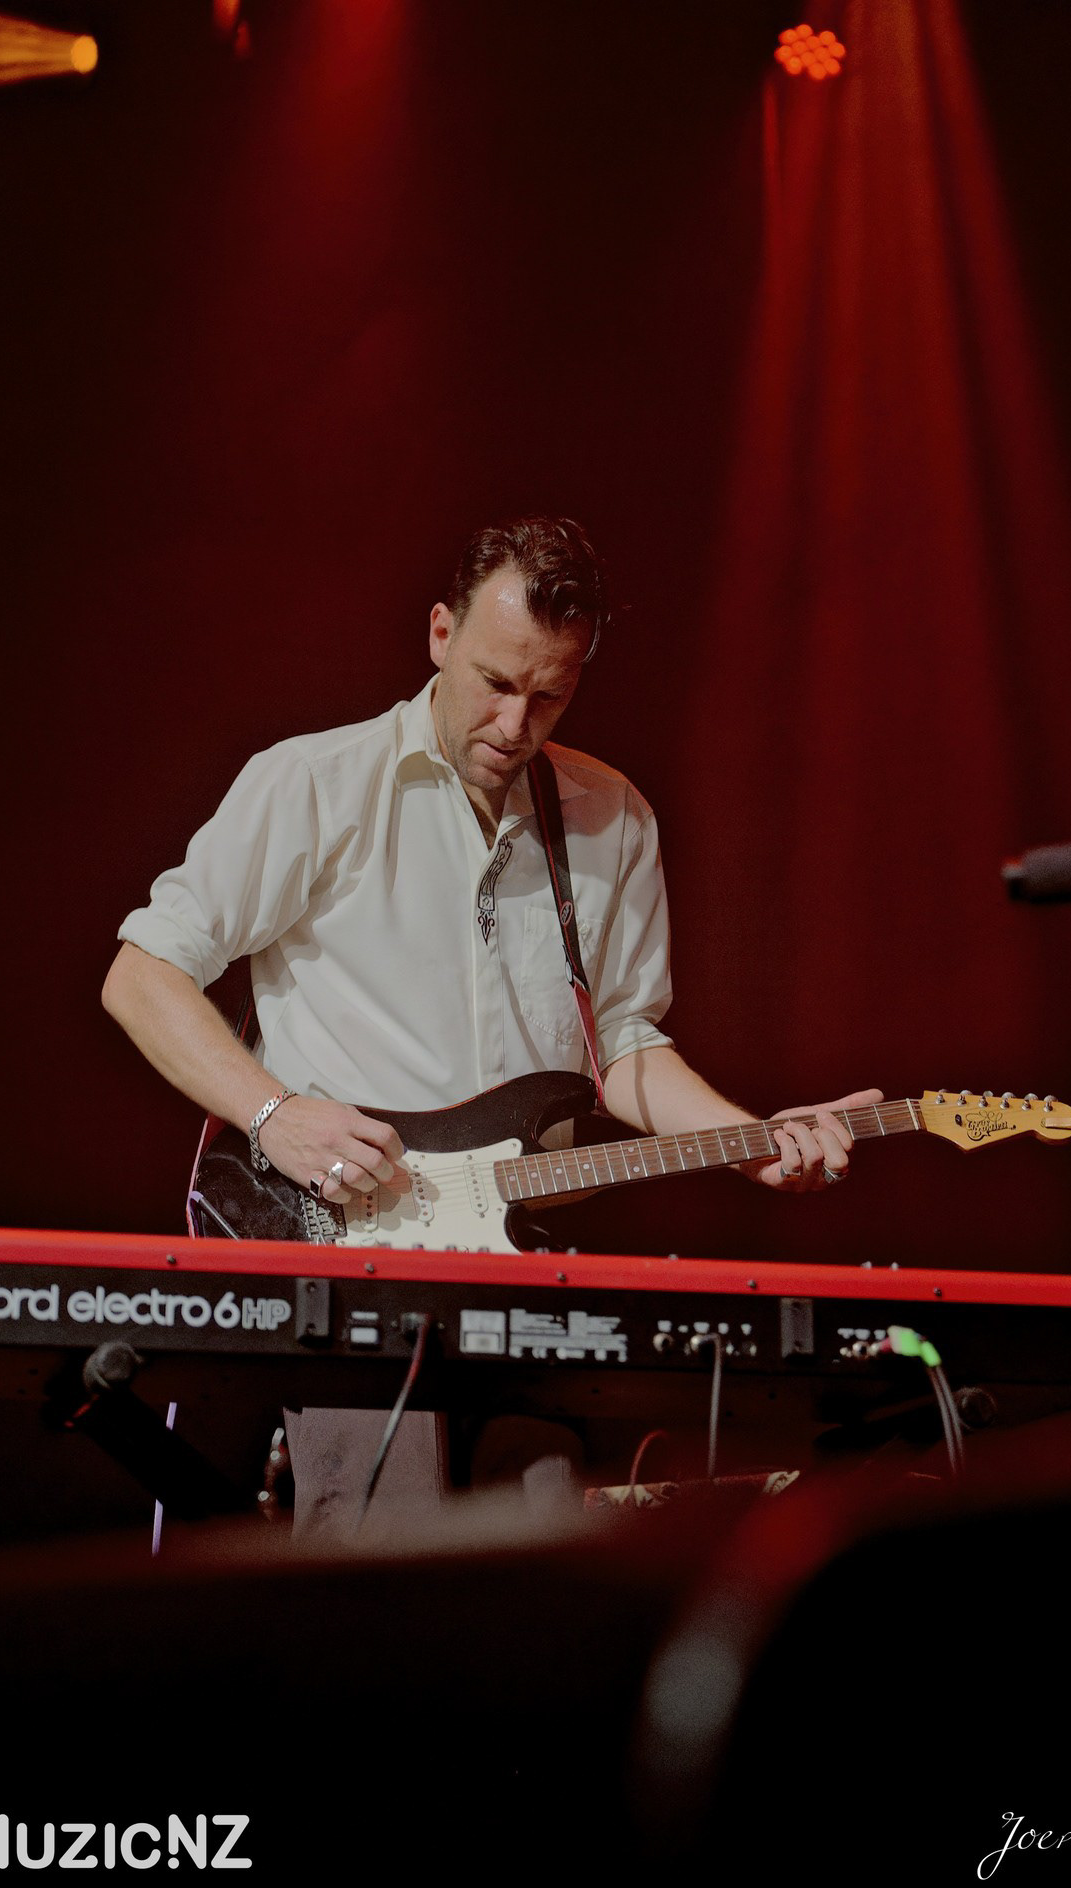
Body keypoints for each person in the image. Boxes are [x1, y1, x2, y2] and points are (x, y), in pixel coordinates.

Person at [103, 517, 881, 1526]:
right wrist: (274, 1115)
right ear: (440, 633)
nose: (515, 723)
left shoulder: (612, 817)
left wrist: (751, 1142)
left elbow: (623, 1046)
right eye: (495, 682)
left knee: (542, 1543)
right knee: (382, 1552)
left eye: (549, 694)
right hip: (343, 1248)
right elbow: (143, 975)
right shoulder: (315, 783)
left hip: (518, 1255)